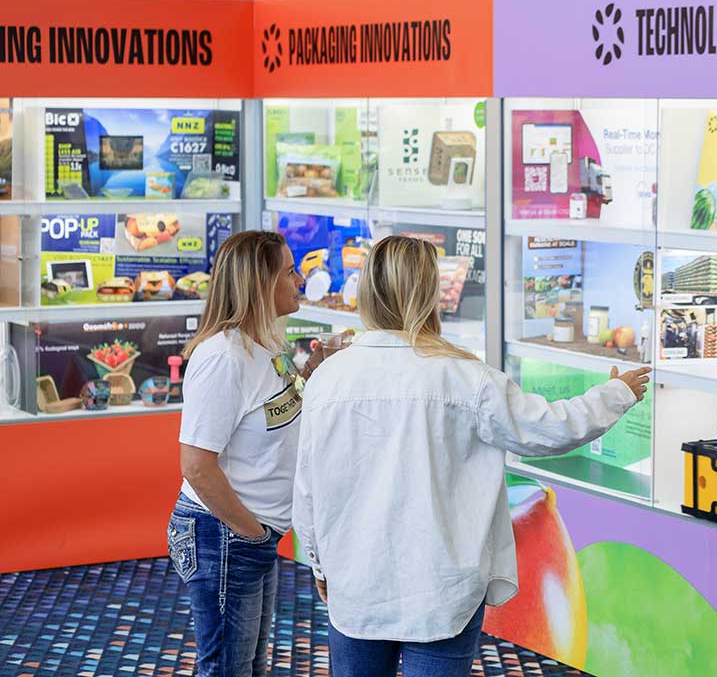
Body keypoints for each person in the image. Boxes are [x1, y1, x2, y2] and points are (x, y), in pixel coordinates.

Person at [293, 235, 650, 677]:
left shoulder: (328, 378)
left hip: (356, 582)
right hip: (442, 589)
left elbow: (308, 487)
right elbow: (549, 430)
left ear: (367, 291)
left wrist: (319, 563)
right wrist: (616, 394)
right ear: (429, 294)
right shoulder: (466, 378)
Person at [166, 230, 332, 677]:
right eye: (289, 271)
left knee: (249, 666)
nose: (299, 280)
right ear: (260, 284)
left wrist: (314, 371)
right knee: (227, 668)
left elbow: (275, 414)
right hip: (224, 534)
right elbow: (197, 467)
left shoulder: (267, 344)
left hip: (251, 534)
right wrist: (252, 533)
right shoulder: (223, 358)